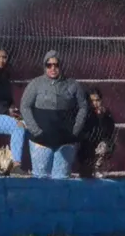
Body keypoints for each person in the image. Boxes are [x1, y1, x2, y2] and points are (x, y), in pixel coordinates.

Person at [19, 51, 89, 179]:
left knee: (62, 178)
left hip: (66, 141)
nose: (53, 68)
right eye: (49, 65)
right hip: (41, 141)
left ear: (61, 66)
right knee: (40, 178)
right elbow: (25, 106)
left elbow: (83, 107)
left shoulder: (73, 84)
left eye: (56, 65)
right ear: (44, 66)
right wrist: (36, 131)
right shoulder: (35, 84)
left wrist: (75, 130)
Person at [78, 86, 116, 178]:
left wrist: (102, 117)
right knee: (86, 175)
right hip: (86, 147)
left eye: (97, 100)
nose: (95, 103)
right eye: (92, 101)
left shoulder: (106, 114)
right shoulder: (84, 113)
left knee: (105, 146)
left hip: (100, 145)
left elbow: (111, 131)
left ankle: (98, 168)